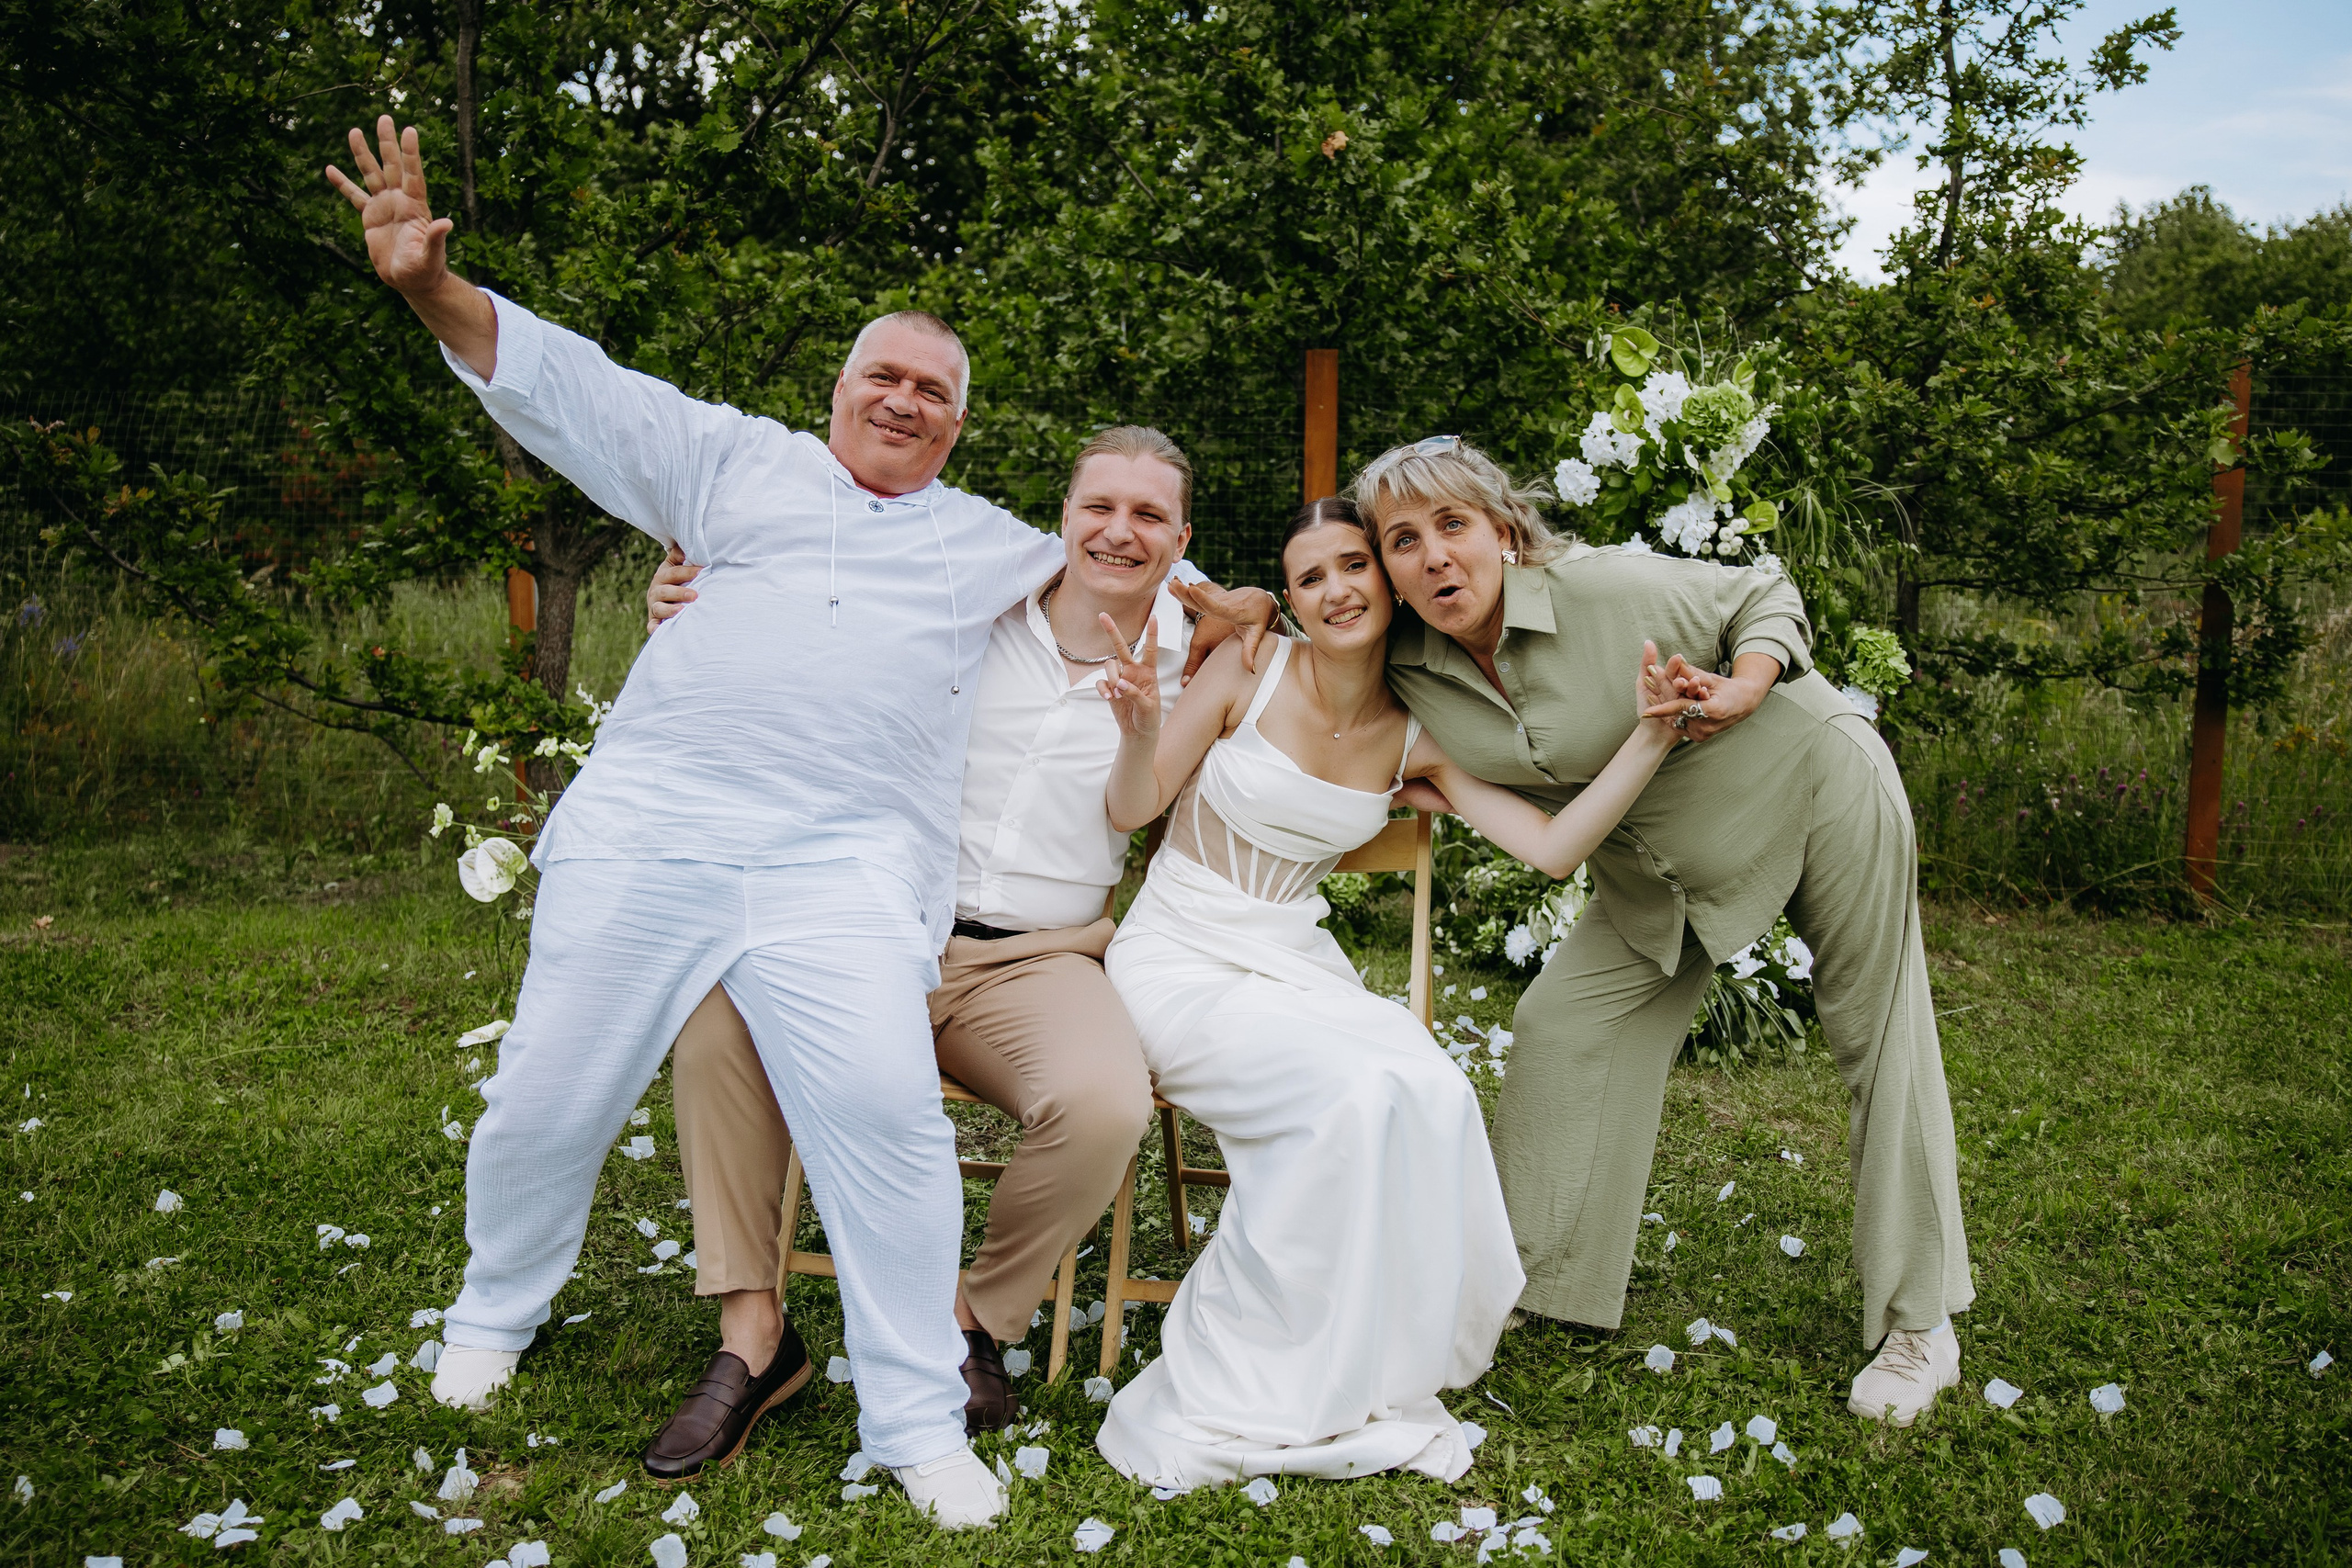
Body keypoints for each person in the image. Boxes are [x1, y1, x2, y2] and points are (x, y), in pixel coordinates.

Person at [320, 117, 1272, 1529]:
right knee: (549, 1091)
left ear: (960, 421)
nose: (905, 401)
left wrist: (1242, 611)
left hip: (842, 871)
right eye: (883, 375)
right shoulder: (730, 463)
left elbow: (1135, 569)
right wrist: (430, 291)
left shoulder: (992, 544)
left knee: (886, 1122)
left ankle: (915, 1413)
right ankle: (492, 1310)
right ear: (838, 390)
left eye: (934, 391)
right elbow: (582, 391)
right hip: (654, 831)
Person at [634, 427, 1263, 1479]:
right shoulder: (968, 600)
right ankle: (754, 1339)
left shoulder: (1199, 653)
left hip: (1037, 960)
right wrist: (688, 609)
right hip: (873, 929)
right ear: (1059, 515)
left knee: (1104, 1101)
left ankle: (971, 1325)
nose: (1118, 530)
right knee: (715, 1026)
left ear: (1181, 539)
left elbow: (1324, 659)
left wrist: (1258, 609)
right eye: (1097, 506)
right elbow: (811, 598)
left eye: (1148, 515)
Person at [1356, 437, 1973, 1427]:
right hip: (1659, 873)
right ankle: (1533, 1281)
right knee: (1563, 1028)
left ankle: (1918, 1325)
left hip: (1813, 782)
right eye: (1402, 539)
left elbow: (1760, 592)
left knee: (1876, 1037)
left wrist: (1749, 682)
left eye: (1452, 526)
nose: (1433, 557)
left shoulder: (1605, 589)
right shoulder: (1405, 667)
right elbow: (1291, 630)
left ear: (1504, 532)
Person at [1087, 498, 1687, 1488]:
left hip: (1288, 957)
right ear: (1291, 599)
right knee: (1346, 1102)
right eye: (1310, 577)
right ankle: (1260, 1364)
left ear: (1387, 580)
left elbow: (1549, 849)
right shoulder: (1249, 665)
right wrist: (1140, 730)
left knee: (1432, 1088)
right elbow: (1132, 806)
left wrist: (1651, 737)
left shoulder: (1417, 736)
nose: (1336, 590)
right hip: (1177, 957)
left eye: (1352, 565)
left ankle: (1364, 1349)